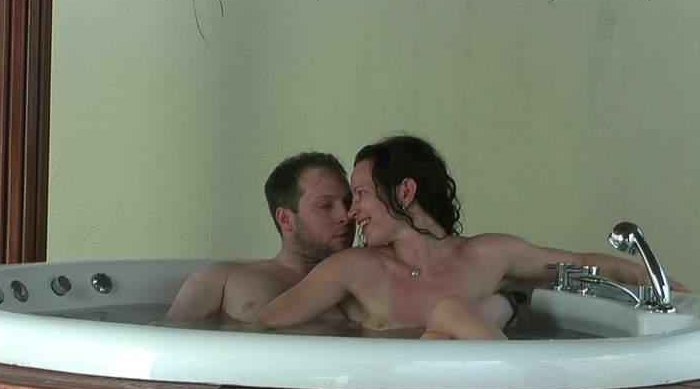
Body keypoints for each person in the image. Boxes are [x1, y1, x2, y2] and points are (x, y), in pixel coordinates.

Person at [257, 135, 690, 340]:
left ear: (405, 192)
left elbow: (578, 264)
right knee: (455, 313)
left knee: (457, 313)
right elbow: (265, 326)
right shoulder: (352, 269)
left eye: (362, 195)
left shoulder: (490, 255)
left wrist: (651, 280)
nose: (353, 212)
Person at [167, 152, 356, 323]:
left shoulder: (362, 284)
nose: (347, 215)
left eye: (349, 202)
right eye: (325, 206)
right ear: (285, 219)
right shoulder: (221, 279)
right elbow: (172, 342)